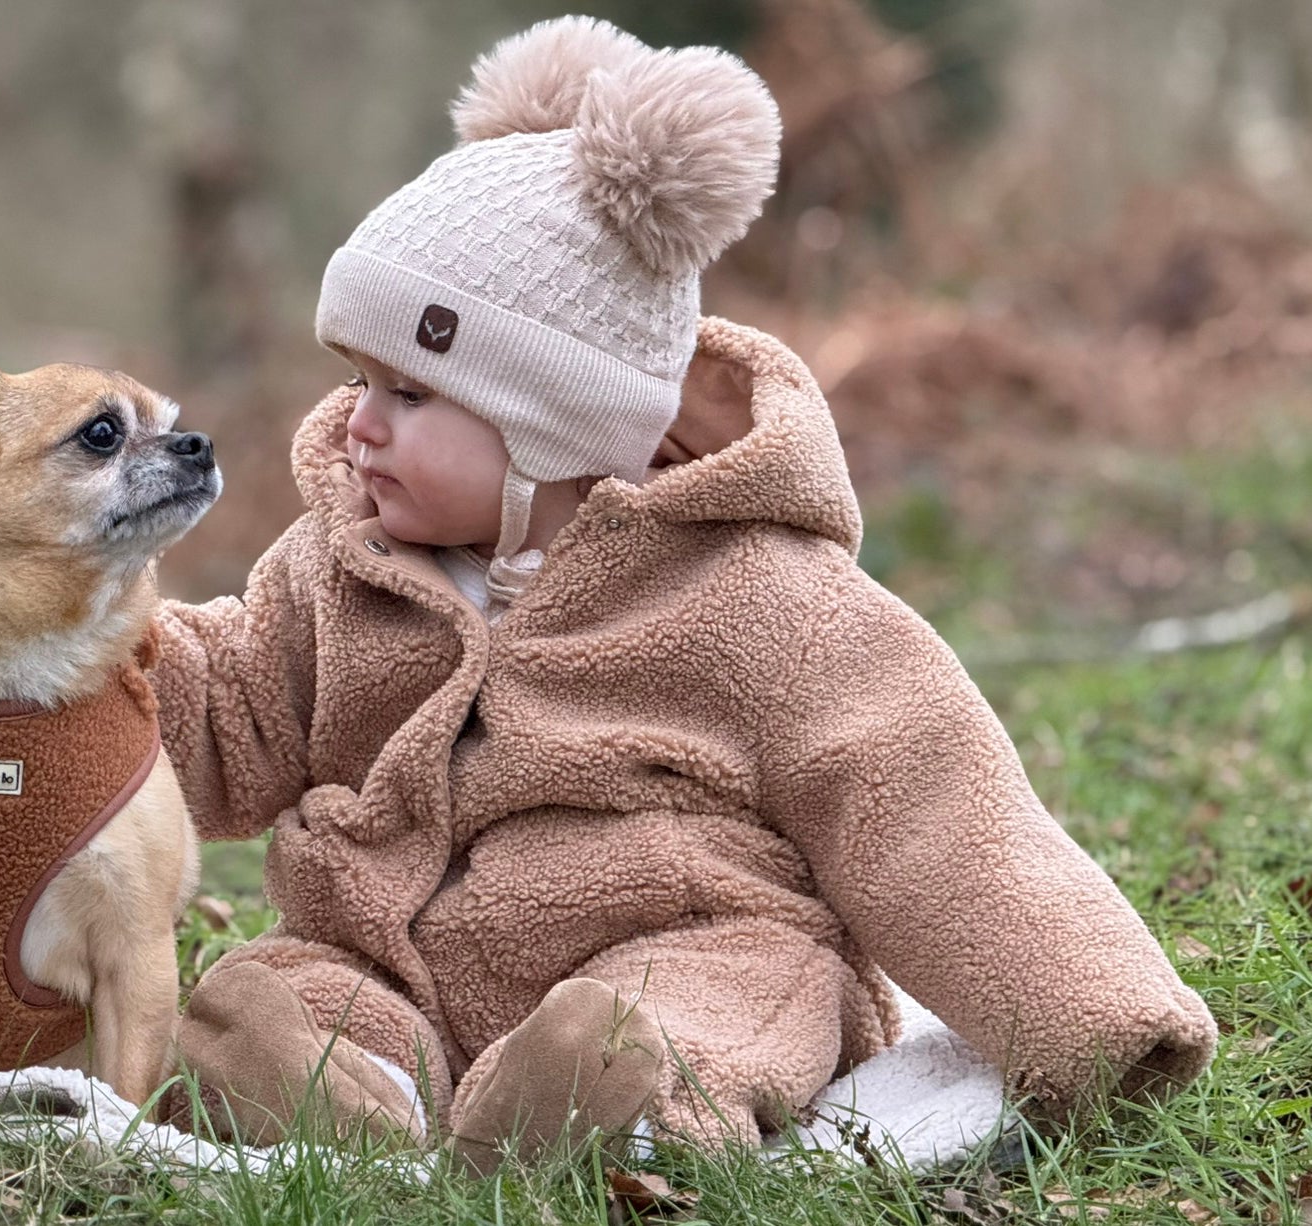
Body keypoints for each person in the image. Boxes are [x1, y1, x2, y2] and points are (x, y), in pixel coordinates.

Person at [147, 15, 1216, 1172]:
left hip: (687, 931)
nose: (358, 423)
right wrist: (60, 662)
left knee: (689, 1011)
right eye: (355, 379)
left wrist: (1097, 1017)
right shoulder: (335, 568)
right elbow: (228, 707)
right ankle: (358, 1099)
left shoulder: (756, 595)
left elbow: (930, 806)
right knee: (266, 1002)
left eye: (408, 392)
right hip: (389, 954)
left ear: (547, 419)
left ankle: (619, 1107)